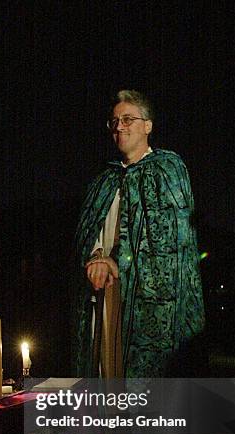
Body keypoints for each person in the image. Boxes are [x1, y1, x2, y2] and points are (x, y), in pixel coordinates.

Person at [73, 90, 205, 378]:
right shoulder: (103, 180)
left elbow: (167, 237)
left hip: (147, 301)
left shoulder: (168, 169)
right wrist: (96, 255)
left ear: (148, 126)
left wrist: (117, 261)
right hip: (103, 295)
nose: (119, 126)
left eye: (128, 119)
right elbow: (87, 233)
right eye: (114, 121)